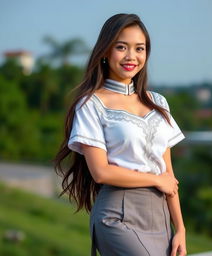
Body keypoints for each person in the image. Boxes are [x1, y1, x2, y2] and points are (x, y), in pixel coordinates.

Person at [54, 13, 187, 256]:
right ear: (105, 52)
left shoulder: (158, 103)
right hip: (117, 216)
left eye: (140, 48)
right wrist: (156, 180)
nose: (131, 57)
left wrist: (180, 228)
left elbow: (169, 175)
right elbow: (101, 172)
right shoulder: (90, 104)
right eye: (121, 47)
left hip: (160, 218)